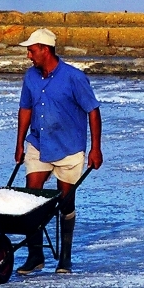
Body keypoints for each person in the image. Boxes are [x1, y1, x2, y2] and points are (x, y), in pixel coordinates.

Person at [13, 28, 103, 274]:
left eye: (31, 51)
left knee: (65, 201)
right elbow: (25, 109)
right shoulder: (30, 77)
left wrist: (96, 149)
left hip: (69, 148)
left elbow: (93, 111)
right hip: (39, 143)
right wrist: (19, 143)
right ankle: (35, 255)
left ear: (45, 49)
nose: (29, 56)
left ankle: (65, 258)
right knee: (31, 197)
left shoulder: (74, 77)